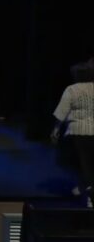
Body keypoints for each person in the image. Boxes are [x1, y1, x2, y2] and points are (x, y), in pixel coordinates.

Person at [51, 62, 94, 208]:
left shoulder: (72, 89)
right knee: (88, 165)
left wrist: (56, 129)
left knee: (82, 163)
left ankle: (89, 195)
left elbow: (61, 112)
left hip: (77, 134)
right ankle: (84, 187)